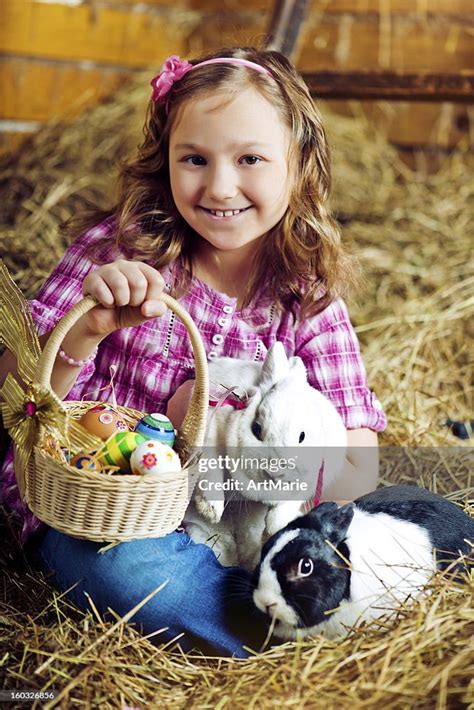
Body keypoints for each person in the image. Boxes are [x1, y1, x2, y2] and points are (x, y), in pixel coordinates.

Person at [0, 47, 386, 657]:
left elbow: (357, 460)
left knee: (364, 539)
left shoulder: (305, 295)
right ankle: (269, 628)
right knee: (126, 572)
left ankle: (260, 602)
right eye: (195, 159)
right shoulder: (116, 253)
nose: (220, 186)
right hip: (109, 513)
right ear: (166, 161)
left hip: (244, 520)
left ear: (299, 164)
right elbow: (15, 396)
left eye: (251, 159)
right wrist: (88, 331)